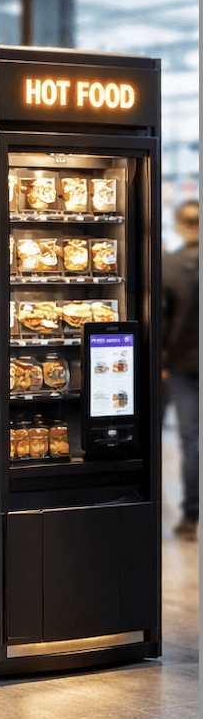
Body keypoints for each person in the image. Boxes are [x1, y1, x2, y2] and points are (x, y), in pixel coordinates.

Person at [162, 198, 199, 540]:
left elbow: (162, 319)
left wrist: (161, 359)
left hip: (182, 364)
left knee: (190, 440)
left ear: (179, 225)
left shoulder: (168, 265)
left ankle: (191, 516)